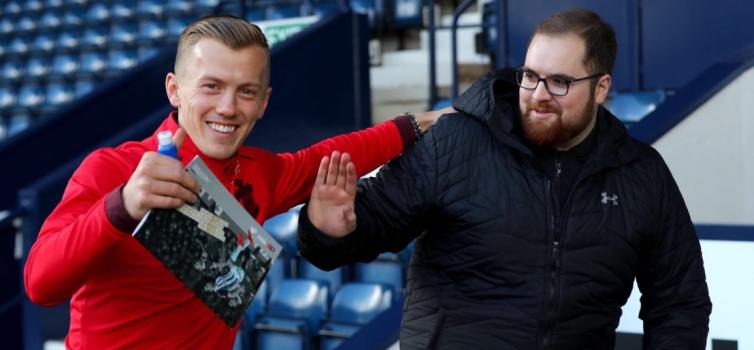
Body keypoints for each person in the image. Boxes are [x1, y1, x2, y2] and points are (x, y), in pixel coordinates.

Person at [23, 15, 445, 349]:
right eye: (211, 86)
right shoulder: (114, 169)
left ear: (264, 102)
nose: (228, 107)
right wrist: (121, 206)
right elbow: (41, 283)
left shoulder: (263, 173)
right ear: (175, 89)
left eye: (246, 91)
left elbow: (332, 153)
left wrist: (420, 123)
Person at [299, 9, 712, 349]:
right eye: (530, 76)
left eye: (560, 82)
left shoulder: (642, 174)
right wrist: (329, 232)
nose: (538, 94)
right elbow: (368, 224)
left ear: (601, 87)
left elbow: (680, 301)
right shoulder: (457, 141)